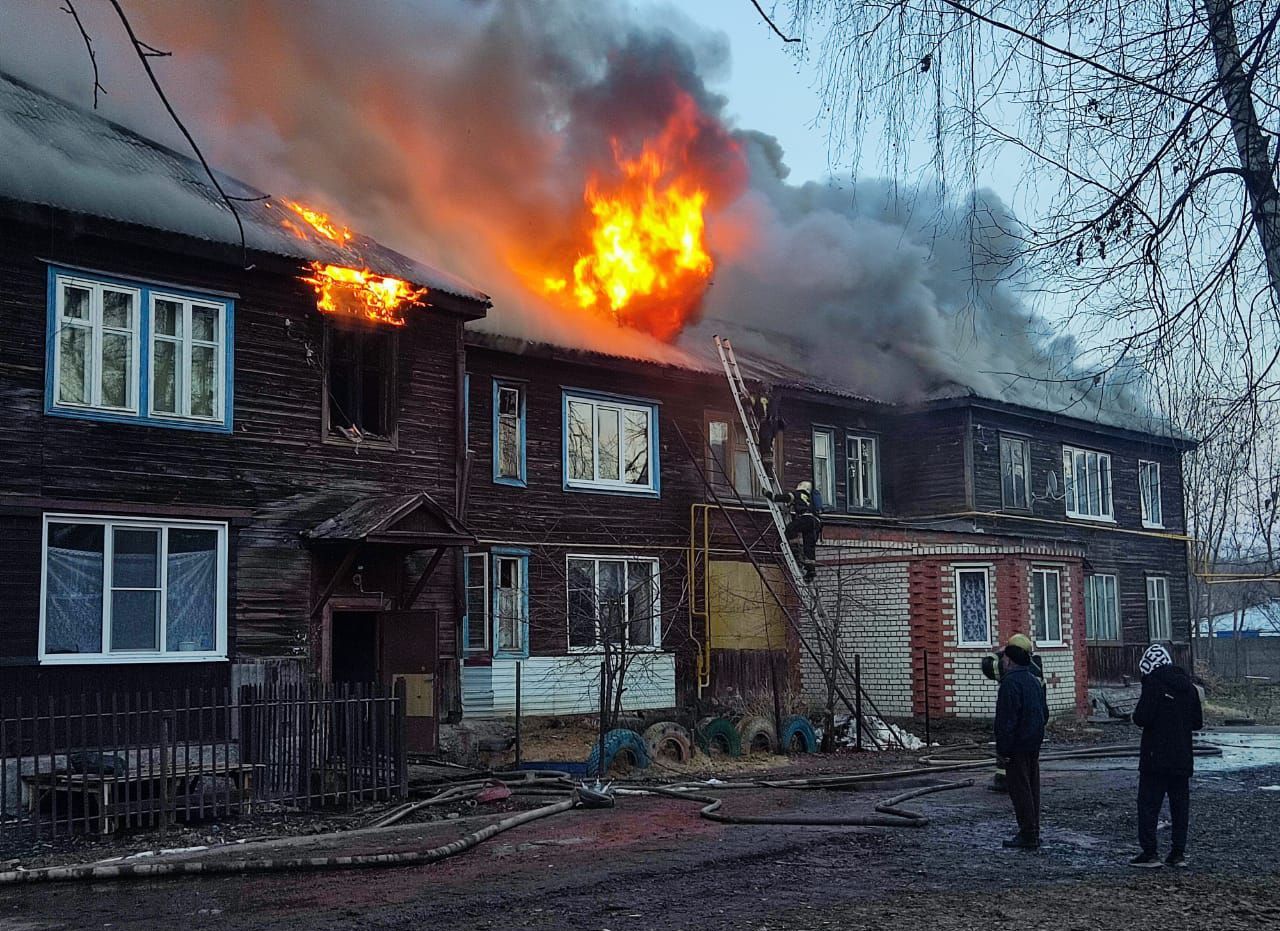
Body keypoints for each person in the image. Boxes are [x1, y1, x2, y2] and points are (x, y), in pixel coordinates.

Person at [1129, 643, 1203, 868]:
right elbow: (1197, 723)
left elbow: (1141, 717)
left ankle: (1150, 853)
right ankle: (1177, 853)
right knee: (1180, 806)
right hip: (1182, 757)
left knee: (1149, 804)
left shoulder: (1153, 683)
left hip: (1155, 758)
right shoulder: (1189, 687)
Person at [994, 633, 1049, 849]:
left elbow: (1006, 721)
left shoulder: (1010, 684)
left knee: (1020, 790)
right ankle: (1033, 831)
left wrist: (1003, 749)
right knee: (1032, 788)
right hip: (1033, 745)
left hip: (1016, 746)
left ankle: (1027, 834)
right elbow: (1043, 713)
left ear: (1009, 659)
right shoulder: (1033, 681)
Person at [982, 637, 1047, 793]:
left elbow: (987, 665)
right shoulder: (1035, 666)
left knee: (1008, 738)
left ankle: (1004, 780)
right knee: (1030, 770)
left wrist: (1002, 651)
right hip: (1034, 727)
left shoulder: (1011, 671)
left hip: (1017, 730)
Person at [765, 480, 821, 582]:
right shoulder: (810, 498)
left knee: (790, 528)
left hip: (806, 519)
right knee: (809, 547)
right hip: (816, 522)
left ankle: (790, 548)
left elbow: (779, 498)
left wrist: (767, 494)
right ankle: (810, 571)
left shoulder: (797, 494)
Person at [751, 392, 786, 480]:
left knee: (765, 448)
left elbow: (749, 401)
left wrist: (743, 399)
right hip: (772, 427)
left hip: (767, 426)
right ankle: (768, 470)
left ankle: (767, 470)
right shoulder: (773, 400)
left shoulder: (759, 398)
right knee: (768, 448)